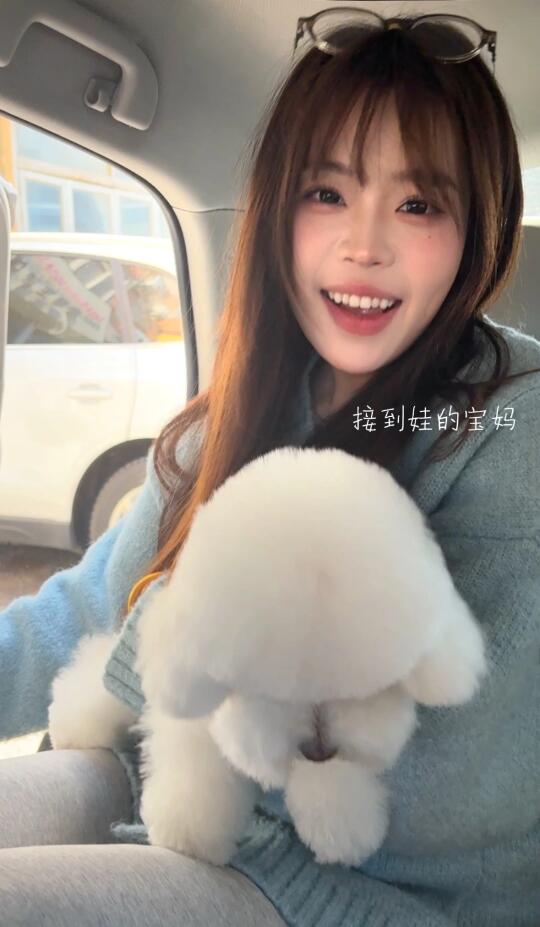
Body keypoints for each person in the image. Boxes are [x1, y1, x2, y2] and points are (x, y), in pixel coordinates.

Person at [1, 10, 539, 926]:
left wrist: (186, 633)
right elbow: (90, 608)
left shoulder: (512, 422)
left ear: (476, 225)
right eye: (327, 192)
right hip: (181, 801)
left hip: (372, 895)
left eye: (418, 204)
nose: (364, 244)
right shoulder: (248, 402)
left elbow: (439, 794)